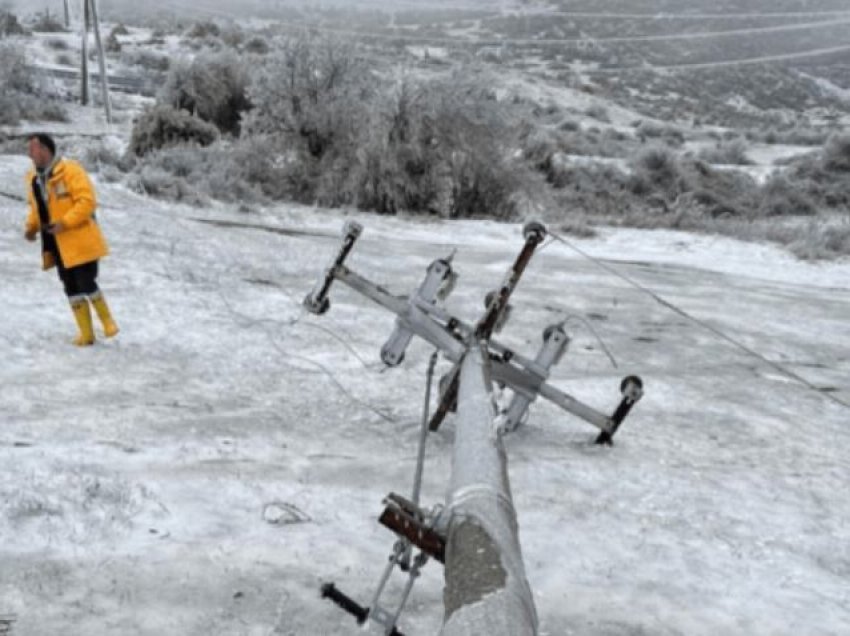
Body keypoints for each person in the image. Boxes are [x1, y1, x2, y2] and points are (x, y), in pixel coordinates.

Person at [23, 132, 119, 346]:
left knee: (86, 281)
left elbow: (86, 202)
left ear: (46, 150)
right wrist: (31, 228)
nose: (30, 153)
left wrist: (64, 223)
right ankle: (86, 333)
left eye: (33, 148)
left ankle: (107, 322)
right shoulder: (33, 179)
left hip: (80, 240)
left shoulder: (71, 171)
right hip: (55, 243)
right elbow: (37, 208)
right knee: (70, 286)